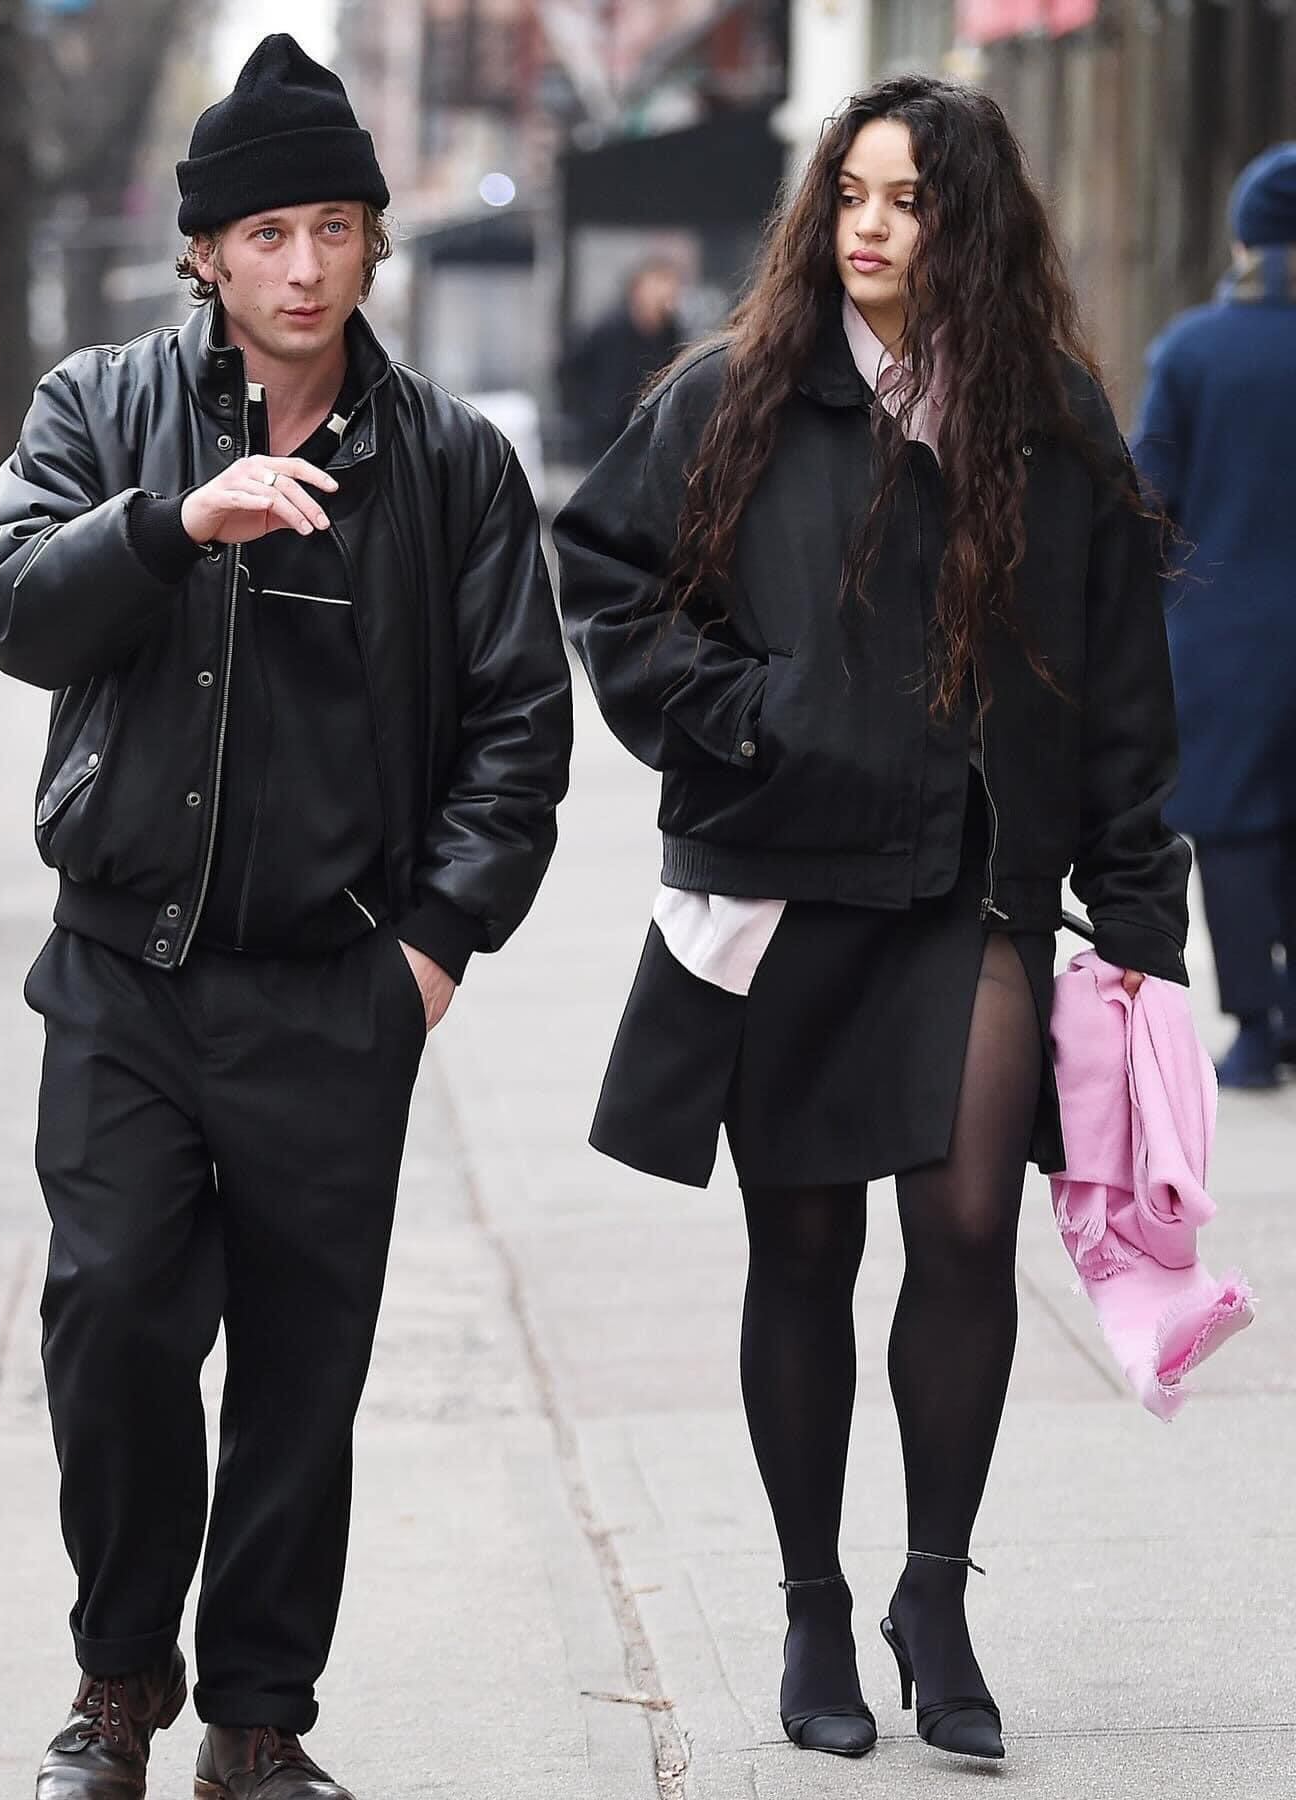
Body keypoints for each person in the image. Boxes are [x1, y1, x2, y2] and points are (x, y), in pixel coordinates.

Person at [0, 35, 571, 1800]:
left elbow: (524, 726)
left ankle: (260, 1722)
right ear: (207, 254)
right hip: (121, 974)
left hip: (333, 990)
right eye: (267, 234)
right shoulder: (98, 409)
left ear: (374, 245)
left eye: (333, 228)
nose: (303, 266)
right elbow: (9, 600)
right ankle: (119, 1680)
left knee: (307, 1371)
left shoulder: (451, 465)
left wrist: (433, 949)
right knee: (118, 1315)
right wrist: (173, 526)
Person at [556, 75, 1189, 1766]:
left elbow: (1126, 682)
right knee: (807, 1249)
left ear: (966, 222)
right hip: (790, 881)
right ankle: (813, 1605)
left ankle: (934, 1591)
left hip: (972, 882)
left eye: (905, 198)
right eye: (850, 192)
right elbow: (607, 579)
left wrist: (1134, 909)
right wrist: (749, 709)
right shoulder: (740, 394)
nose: (868, 225)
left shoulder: (1048, 420)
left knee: (970, 1228)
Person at [1133, 143, 1296, 1089]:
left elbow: (1147, 503)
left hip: (1225, 644)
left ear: (1244, 235)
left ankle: (1258, 1029)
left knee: (1232, 829)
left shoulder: (1194, 352)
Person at [559, 258, 685, 461]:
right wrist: (588, 412)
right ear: (638, 289)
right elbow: (570, 369)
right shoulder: (609, 327)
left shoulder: (671, 333)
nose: (666, 291)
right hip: (605, 434)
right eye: (659, 282)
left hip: (648, 433)